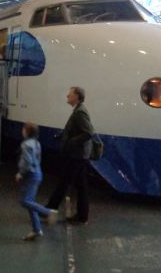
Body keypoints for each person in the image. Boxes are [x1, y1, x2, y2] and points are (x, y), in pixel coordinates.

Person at [46, 87, 94, 225]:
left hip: (77, 155)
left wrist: (71, 141)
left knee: (64, 182)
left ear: (77, 96)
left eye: (70, 94)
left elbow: (88, 132)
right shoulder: (79, 110)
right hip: (80, 155)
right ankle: (82, 216)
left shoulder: (79, 113)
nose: (67, 95)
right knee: (80, 186)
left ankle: (50, 209)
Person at [16, 122, 58, 241]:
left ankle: (47, 212)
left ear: (26, 132)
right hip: (38, 174)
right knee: (31, 202)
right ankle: (36, 229)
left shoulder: (25, 144)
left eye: (23, 129)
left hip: (30, 175)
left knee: (24, 201)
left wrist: (20, 173)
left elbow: (27, 162)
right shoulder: (37, 143)